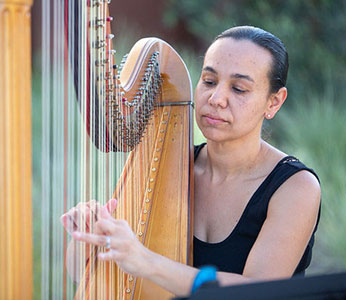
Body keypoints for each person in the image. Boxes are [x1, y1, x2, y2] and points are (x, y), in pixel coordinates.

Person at [61, 26, 321, 297]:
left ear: (274, 102)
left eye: (239, 89)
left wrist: (145, 261)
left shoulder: (295, 187)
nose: (217, 98)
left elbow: (257, 292)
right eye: (209, 81)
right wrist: (89, 236)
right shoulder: (166, 167)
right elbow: (80, 272)